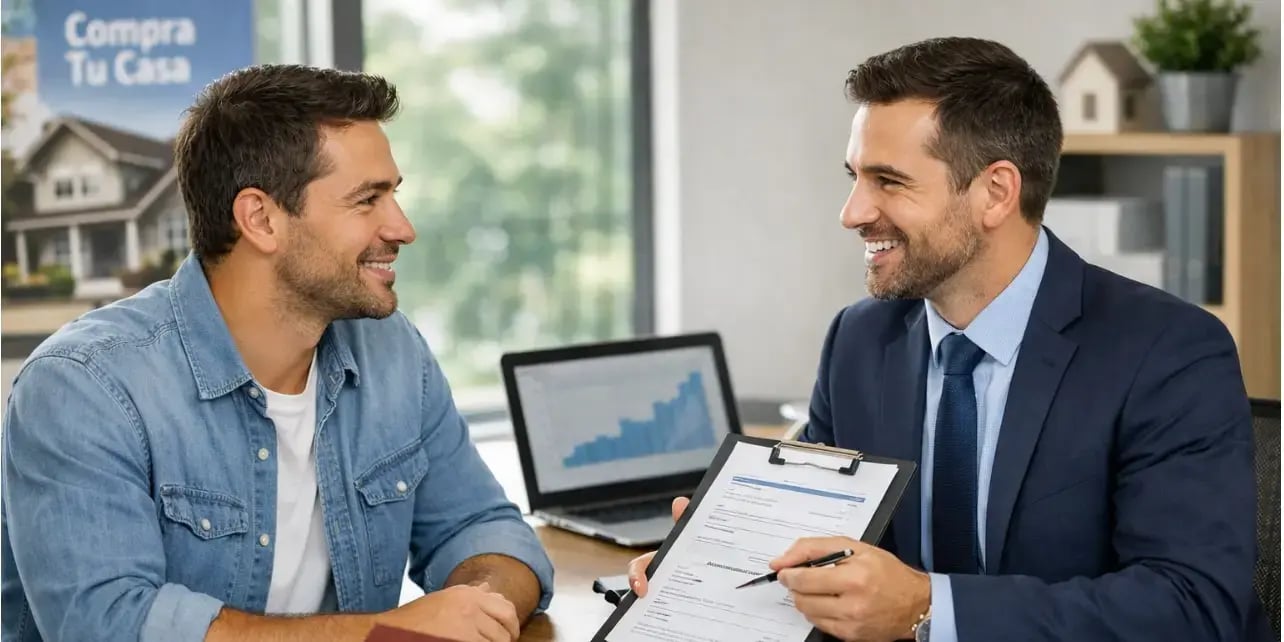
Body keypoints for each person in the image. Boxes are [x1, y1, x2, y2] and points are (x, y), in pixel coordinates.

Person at [628, 37, 1269, 641]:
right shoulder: (859, 338)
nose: (852, 212)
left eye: (889, 181)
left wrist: (928, 606)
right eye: (854, 176)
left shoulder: (1169, 352)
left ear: (995, 193)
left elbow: (1193, 605)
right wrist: (719, 555)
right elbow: (821, 536)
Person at [1, 64, 553, 642]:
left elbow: (485, 529)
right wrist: (386, 631)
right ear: (260, 218)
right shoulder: (83, 387)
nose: (403, 227)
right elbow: (111, 626)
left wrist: (476, 607)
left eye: (394, 194)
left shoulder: (392, 350)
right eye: (368, 200)